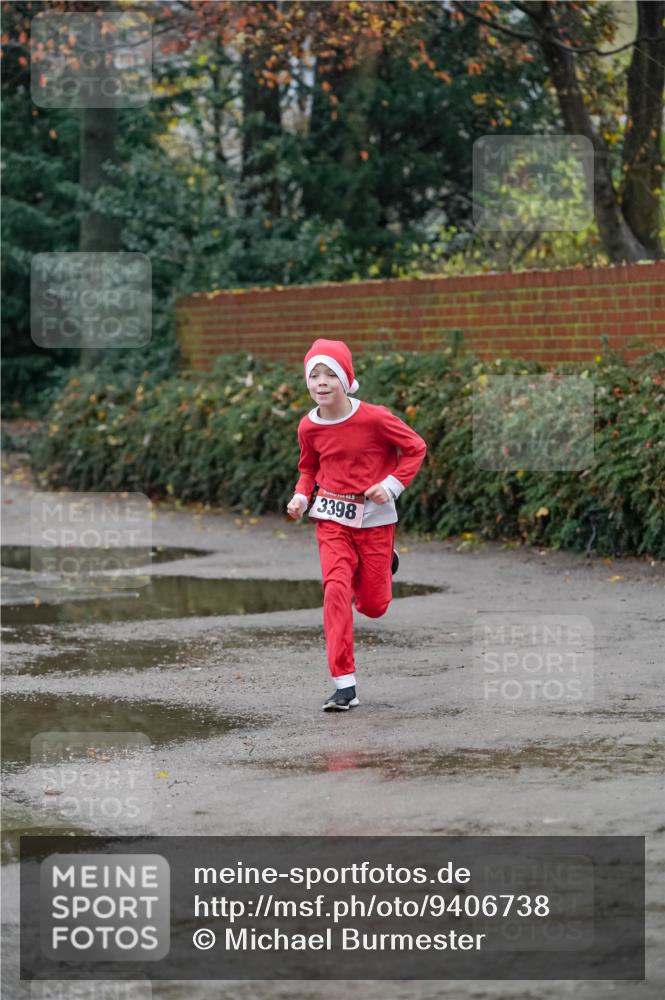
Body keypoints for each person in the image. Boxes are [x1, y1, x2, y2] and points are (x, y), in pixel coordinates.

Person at [286, 338, 427, 712]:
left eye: (330, 374)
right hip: (331, 519)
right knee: (335, 590)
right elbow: (308, 468)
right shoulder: (308, 426)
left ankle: (384, 563)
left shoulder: (375, 418)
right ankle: (344, 686)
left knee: (374, 605)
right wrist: (301, 496)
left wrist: (391, 486)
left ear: (346, 379)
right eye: (314, 375)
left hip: (376, 520)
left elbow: (416, 448)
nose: (321, 382)